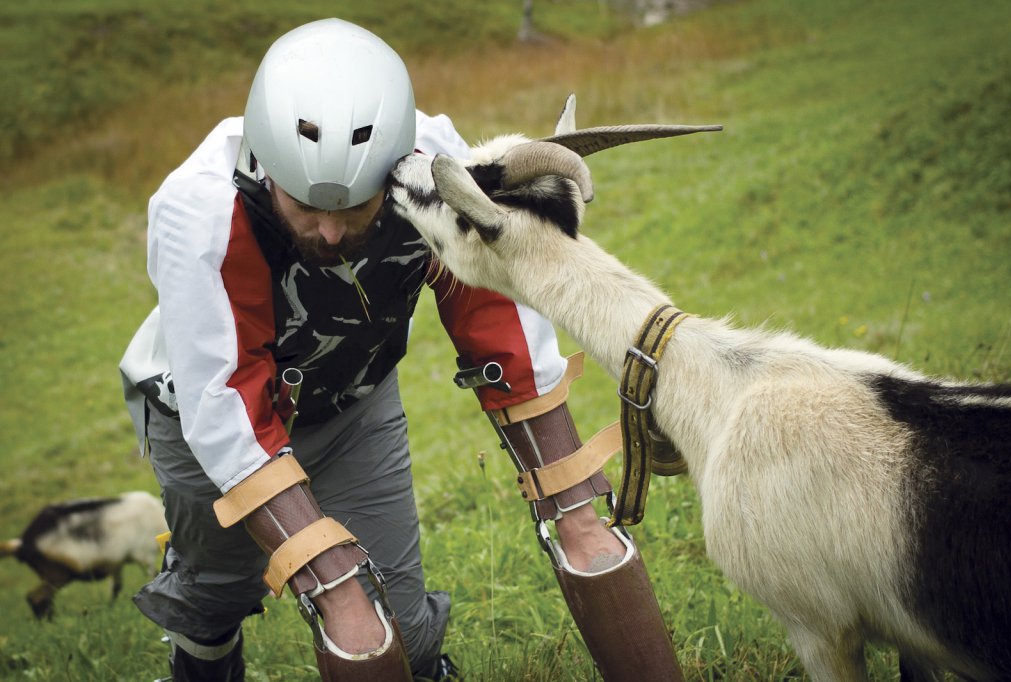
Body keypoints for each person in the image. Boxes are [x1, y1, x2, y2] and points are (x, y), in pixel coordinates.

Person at [120, 18, 681, 682]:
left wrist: (572, 504)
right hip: (202, 423)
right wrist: (325, 573)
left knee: (391, 633)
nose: (329, 231)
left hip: (353, 406)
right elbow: (225, 399)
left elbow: (491, 305)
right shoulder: (198, 209)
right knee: (219, 599)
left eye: (354, 206)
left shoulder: (429, 164)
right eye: (305, 205)